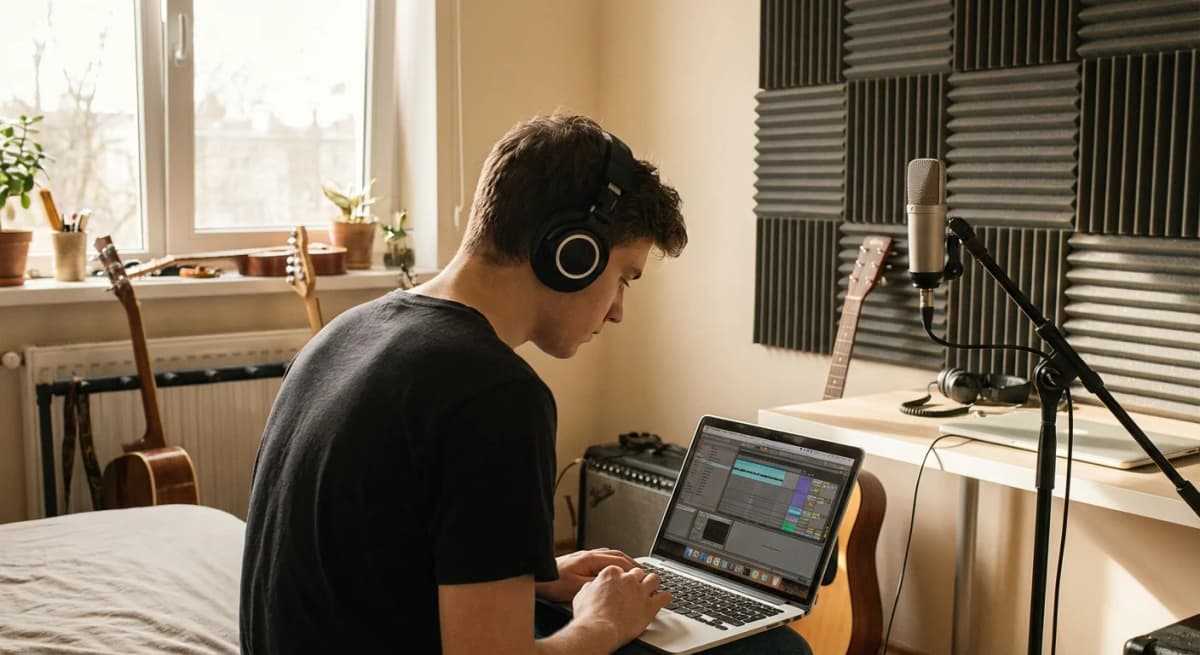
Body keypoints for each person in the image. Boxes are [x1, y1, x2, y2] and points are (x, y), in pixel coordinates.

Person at [240, 114, 811, 655]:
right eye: (624, 279)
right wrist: (603, 622)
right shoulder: (494, 394)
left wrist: (531, 578)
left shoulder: (348, 332)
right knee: (779, 648)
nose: (616, 312)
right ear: (574, 254)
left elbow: (374, 560)